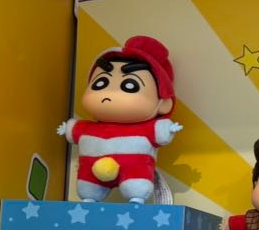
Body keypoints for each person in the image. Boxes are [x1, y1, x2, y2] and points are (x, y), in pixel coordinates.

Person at [58, 36, 182, 203]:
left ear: (163, 104)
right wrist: (66, 129)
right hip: (91, 171)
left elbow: (159, 132)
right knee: (88, 187)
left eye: (129, 85)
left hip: (133, 171)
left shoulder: (144, 129)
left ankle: (135, 196)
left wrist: (168, 129)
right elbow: (75, 130)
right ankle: (90, 197)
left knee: (135, 184)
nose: (108, 95)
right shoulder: (88, 128)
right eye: (100, 83)